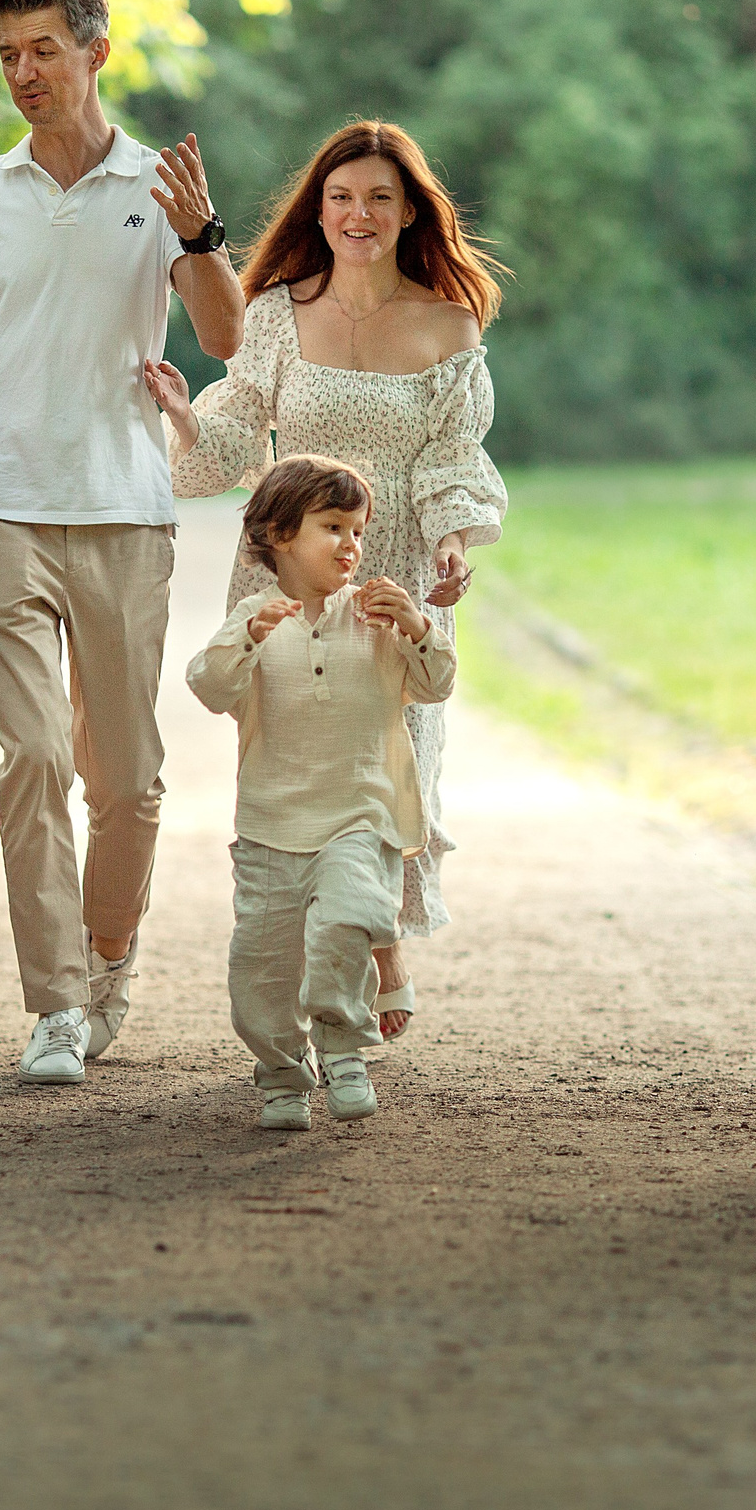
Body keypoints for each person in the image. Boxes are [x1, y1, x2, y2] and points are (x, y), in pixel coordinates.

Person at [0, 0, 244, 1086]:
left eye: (41, 51)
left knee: (126, 775)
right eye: (7, 56)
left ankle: (106, 955)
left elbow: (226, 338)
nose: (22, 74)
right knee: (32, 756)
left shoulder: (159, 185)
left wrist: (204, 236)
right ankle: (53, 1005)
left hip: (125, 507)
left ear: (95, 53)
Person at [143, 120, 505, 1044]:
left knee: (389, 766)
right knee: (296, 763)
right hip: (287, 585)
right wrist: (186, 419)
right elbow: (235, 437)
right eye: (341, 197)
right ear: (320, 208)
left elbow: (454, 460)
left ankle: (377, 944)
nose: (359, 214)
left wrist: (455, 545)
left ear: (410, 211)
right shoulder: (276, 312)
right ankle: (312, 947)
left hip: (392, 579)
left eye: (381, 197)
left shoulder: (446, 322)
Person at [187, 456, 456, 1129]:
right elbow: (208, 685)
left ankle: (342, 1047)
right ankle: (280, 1069)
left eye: (358, 531)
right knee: (262, 968)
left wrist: (419, 627)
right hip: (270, 826)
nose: (351, 545)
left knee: (347, 922)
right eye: (333, 526)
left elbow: (436, 684)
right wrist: (247, 638)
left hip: (360, 818)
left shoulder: (375, 616)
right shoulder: (255, 617)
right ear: (279, 533)